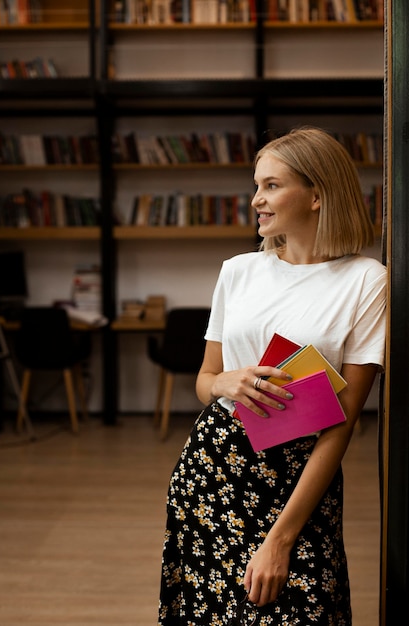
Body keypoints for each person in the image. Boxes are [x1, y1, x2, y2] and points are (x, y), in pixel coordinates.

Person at [158, 127, 387, 625]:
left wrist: (281, 539)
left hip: (300, 479)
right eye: (255, 186)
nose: (256, 199)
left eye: (271, 185)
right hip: (214, 468)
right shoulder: (238, 271)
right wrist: (223, 383)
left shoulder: (366, 279)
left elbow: (343, 423)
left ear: (317, 195)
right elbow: (206, 379)